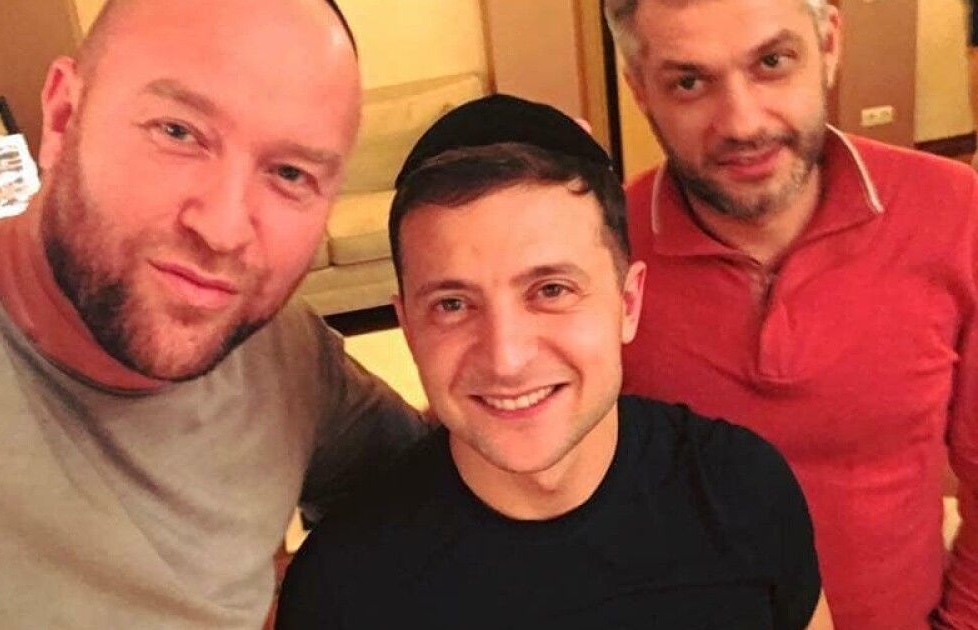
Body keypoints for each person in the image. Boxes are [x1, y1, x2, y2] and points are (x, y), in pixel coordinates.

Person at [0, 0, 427, 628]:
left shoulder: (290, 364)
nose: (224, 229)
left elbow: (429, 492)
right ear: (63, 116)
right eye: (177, 132)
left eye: (289, 174)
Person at [275, 94, 832, 629]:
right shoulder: (342, 589)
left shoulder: (739, 491)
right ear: (409, 329)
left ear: (627, 304)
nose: (507, 357)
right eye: (452, 304)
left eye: (551, 291)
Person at [603, 0, 978, 627]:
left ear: (828, 45)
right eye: (689, 82)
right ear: (640, 88)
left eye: (772, 62)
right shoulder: (600, 251)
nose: (742, 122)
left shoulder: (954, 211)